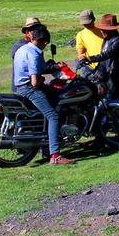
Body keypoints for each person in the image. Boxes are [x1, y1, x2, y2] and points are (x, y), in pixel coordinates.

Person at [13, 26, 75, 165]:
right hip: (30, 89)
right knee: (53, 116)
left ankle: (49, 144)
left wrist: (55, 67)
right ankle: (55, 156)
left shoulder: (23, 49)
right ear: (45, 42)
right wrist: (41, 80)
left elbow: (37, 69)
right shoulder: (35, 53)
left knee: (55, 98)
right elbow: (35, 82)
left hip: (20, 87)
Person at [80, 14, 119, 100]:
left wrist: (90, 59)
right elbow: (103, 60)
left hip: (115, 75)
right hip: (106, 74)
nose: (102, 32)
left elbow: (106, 55)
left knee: (109, 99)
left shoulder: (118, 41)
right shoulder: (107, 39)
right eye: (102, 29)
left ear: (112, 30)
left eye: (105, 30)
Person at [10, 17, 44, 92]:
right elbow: (32, 66)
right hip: (25, 87)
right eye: (34, 30)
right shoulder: (22, 46)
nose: (37, 32)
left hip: (32, 84)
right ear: (27, 32)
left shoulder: (35, 45)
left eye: (38, 30)